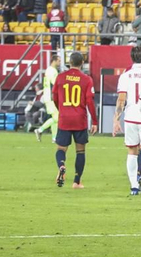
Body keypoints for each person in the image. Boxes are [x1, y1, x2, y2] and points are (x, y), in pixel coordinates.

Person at [51, 51, 97, 189]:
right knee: (80, 150)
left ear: (69, 63)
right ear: (82, 63)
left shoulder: (60, 77)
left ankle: (62, 165)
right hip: (80, 119)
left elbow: (54, 97)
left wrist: (62, 110)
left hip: (65, 118)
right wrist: (94, 121)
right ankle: (76, 181)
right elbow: (90, 101)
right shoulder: (87, 79)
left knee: (61, 148)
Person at [113, 41, 141, 197]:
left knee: (132, 151)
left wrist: (116, 119)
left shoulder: (125, 75)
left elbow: (121, 99)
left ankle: (134, 186)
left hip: (130, 117)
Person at [33, 55, 62, 142]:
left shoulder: (48, 70)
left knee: (55, 117)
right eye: (59, 61)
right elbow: (55, 84)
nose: (60, 63)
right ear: (54, 61)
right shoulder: (53, 71)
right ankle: (40, 130)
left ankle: (54, 138)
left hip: (47, 96)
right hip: (51, 97)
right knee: (57, 117)